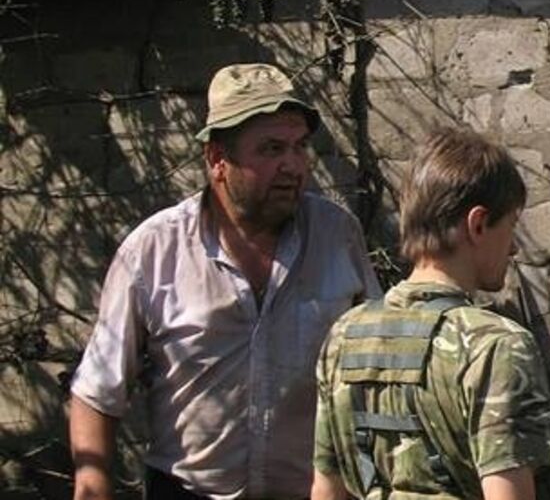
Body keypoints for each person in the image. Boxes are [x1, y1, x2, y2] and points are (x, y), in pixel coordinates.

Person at [69, 63, 381, 500]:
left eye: (300, 146)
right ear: (218, 159)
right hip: (188, 491)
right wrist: (92, 483)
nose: (293, 165)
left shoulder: (337, 236)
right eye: (272, 149)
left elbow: (379, 367)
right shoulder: (153, 251)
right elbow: (98, 390)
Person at [311, 127, 550, 500]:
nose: (512, 248)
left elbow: (326, 491)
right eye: (510, 226)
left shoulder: (345, 333)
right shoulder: (495, 346)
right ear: (477, 224)